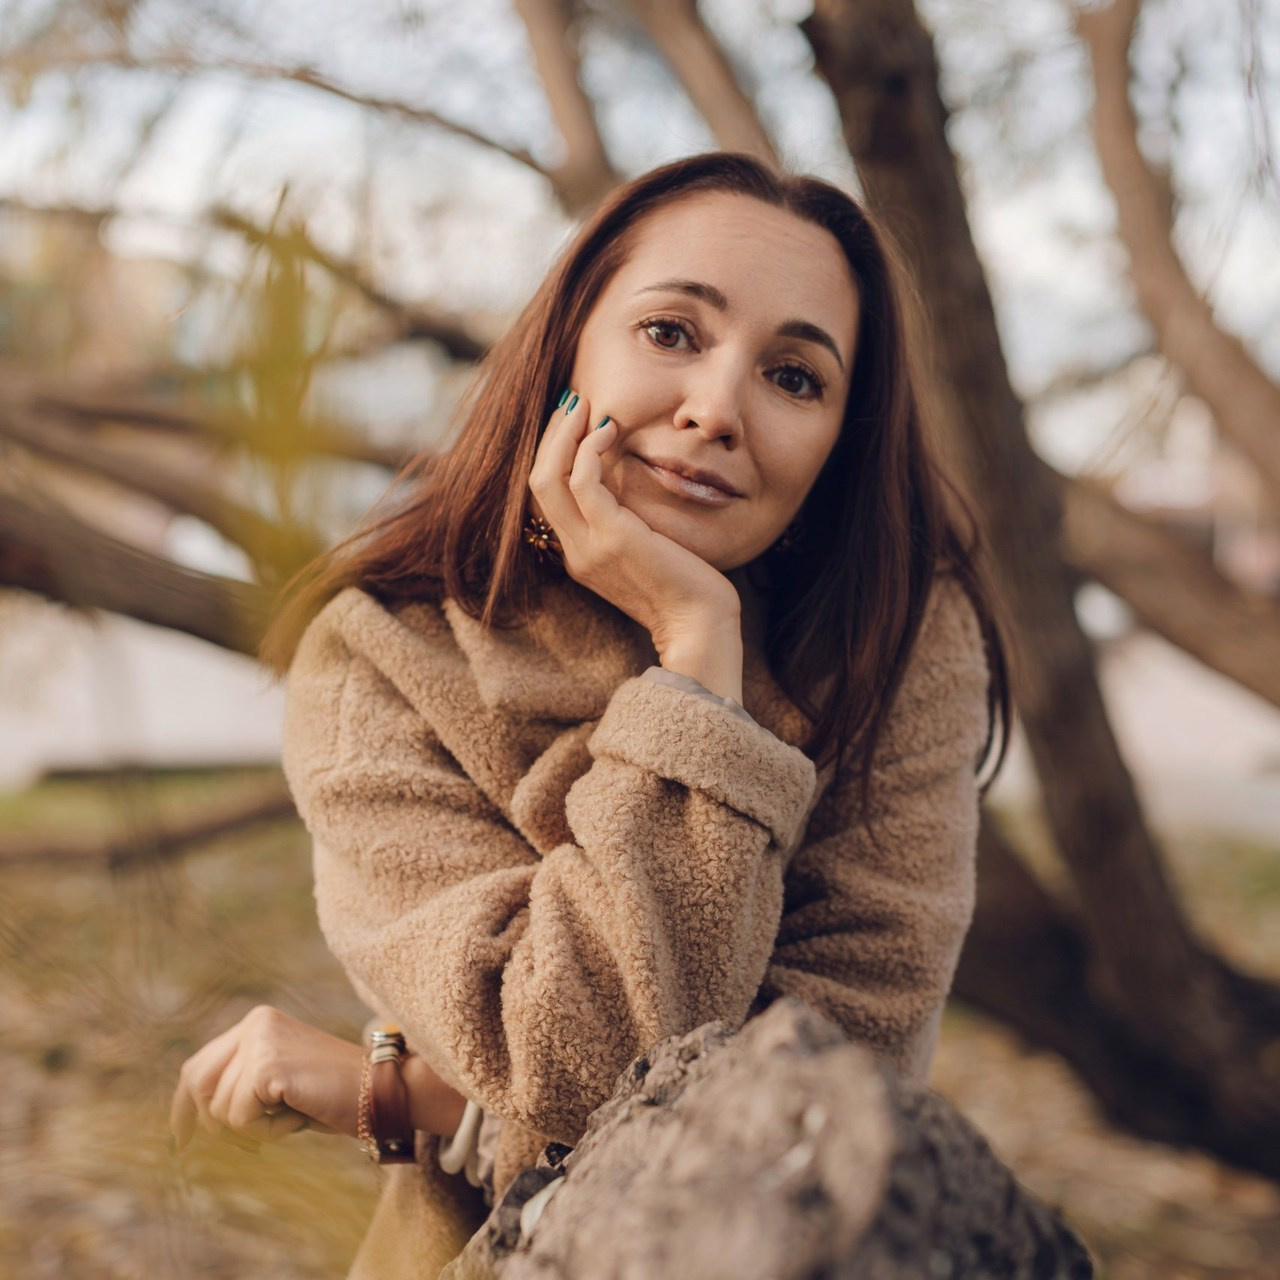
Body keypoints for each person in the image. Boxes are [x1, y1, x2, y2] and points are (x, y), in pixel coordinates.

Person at [170, 151, 1008, 1276]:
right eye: (670, 332)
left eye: (793, 377)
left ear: (839, 438)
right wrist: (695, 672)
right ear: (567, 345)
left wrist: (407, 1093)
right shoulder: (383, 654)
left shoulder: (901, 641)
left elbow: (831, 1099)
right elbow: (577, 1065)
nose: (716, 410)